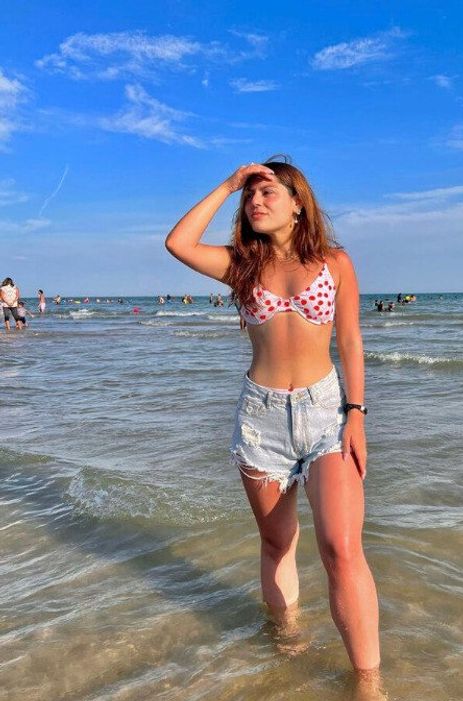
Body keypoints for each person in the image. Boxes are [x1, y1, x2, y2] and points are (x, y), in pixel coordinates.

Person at [164, 159, 379, 675]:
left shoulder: (335, 262)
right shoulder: (241, 265)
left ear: (298, 202)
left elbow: (350, 340)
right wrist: (228, 183)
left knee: (341, 546)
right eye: (250, 196)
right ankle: (288, 644)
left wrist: (357, 414)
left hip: (326, 412)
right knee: (278, 541)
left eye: (268, 193)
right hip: (261, 419)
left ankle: (368, 681)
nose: (255, 202)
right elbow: (178, 243)